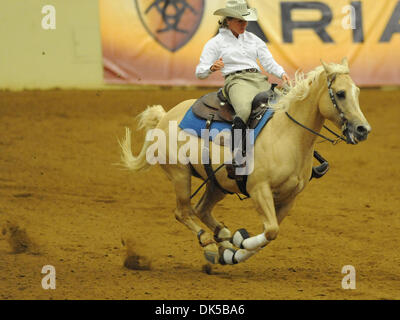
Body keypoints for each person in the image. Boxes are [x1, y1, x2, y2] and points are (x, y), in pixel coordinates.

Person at [196, 0, 290, 168]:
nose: (244, 24)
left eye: (245, 20)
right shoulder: (215, 42)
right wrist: (211, 67)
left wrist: (282, 73)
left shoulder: (254, 39)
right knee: (244, 110)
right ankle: (237, 156)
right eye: (240, 20)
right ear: (228, 20)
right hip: (236, 82)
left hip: (259, 80)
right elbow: (200, 72)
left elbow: (268, 62)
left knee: (287, 106)